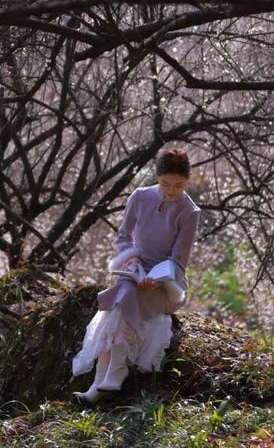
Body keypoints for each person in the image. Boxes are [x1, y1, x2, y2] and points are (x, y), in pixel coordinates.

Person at [72, 147, 200, 404]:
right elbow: (123, 238)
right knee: (127, 291)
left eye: (179, 185)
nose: (171, 191)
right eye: (165, 183)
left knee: (123, 298)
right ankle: (106, 378)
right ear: (157, 176)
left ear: (187, 181)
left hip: (167, 283)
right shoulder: (140, 197)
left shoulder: (190, 212)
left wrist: (157, 279)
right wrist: (132, 261)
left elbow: (177, 260)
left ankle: (106, 379)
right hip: (134, 270)